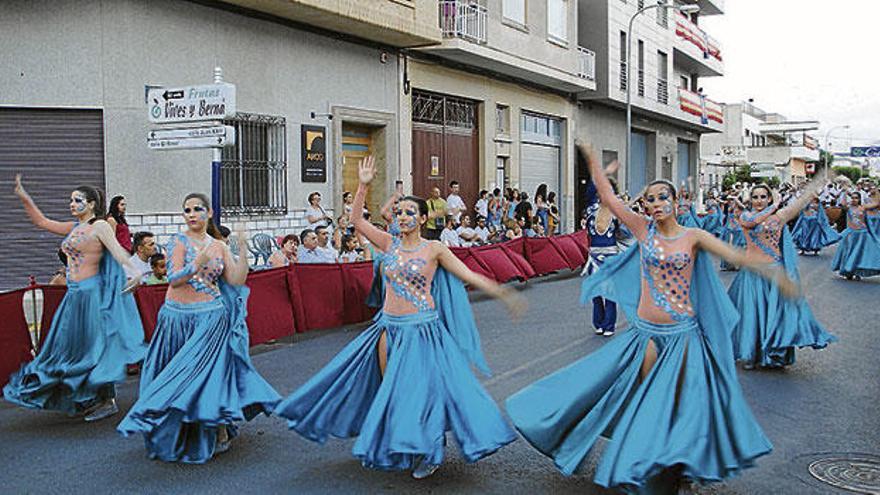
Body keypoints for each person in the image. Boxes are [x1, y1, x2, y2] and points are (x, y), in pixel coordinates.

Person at [506, 144, 796, 493]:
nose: (655, 204)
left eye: (662, 198)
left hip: (683, 336)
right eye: (649, 200)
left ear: (675, 202)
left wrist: (777, 276)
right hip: (646, 336)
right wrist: (596, 165)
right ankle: (647, 460)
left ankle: (680, 460)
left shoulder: (694, 237)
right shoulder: (644, 231)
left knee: (680, 401)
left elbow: (736, 254)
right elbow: (610, 200)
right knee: (642, 400)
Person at [275, 156, 524, 479]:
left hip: (421, 331)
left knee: (420, 392)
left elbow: (467, 274)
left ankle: (430, 449)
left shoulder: (435, 249)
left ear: (421, 219)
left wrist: (501, 292)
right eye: (399, 211)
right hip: (388, 330)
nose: (403, 216)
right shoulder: (388, 243)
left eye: (410, 212)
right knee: (393, 391)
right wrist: (363, 185)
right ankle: (406, 443)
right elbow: (356, 221)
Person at [118, 193, 280, 463]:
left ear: (209, 213)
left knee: (208, 376)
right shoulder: (177, 241)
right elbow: (174, 279)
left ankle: (217, 428)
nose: (192, 214)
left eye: (197, 209)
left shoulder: (219, 245)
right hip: (177, 318)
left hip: (211, 317)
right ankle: (180, 429)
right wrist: (198, 261)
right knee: (177, 377)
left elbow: (236, 279)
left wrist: (240, 245)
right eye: (187, 210)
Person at [4, 175, 145, 421]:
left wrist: (134, 271)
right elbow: (42, 221)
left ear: (91, 204)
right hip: (75, 295)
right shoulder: (74, 228)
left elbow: (118, 252)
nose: (72, 204)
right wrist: (24, 197)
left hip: (92, 295)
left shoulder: (99, 226)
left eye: (77, 200)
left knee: (92, 349)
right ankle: (86, 396)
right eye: (71, 200)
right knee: (72, 350)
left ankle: (106, 399)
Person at [729, 183, 836, 369]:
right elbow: (753, 222)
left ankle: (774, 354)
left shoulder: (779, 217)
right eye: (755, 197)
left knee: (776, 315)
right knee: (752, 315)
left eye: (763, 197)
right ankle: (752, 355)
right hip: (753, 272)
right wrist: (776, 204)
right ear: (750, 200)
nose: (759, 201)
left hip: (775, 271)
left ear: (769, 198)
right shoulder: (745, 215)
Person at [581, 162, 622, 337]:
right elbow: (589, 191)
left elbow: (630, 230)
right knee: (596, 291)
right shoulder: (592, 208)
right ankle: (598, 322)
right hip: (593, 256)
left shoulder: (617, 211)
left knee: (610, 292)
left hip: (611, 255)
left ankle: (609, 324)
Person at [831, 191, 880, 280]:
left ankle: (857, 271)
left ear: (859, 199)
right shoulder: (848, 208)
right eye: (852, 198)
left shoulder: (863, 208)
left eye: (856, 198)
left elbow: (876, 203)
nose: (854, 199)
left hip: (862, 233)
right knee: (849, 252)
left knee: (859, 254)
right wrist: (844, 191)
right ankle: (848, 271)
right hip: (851, 233)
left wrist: (876, 192)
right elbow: (843, 204)